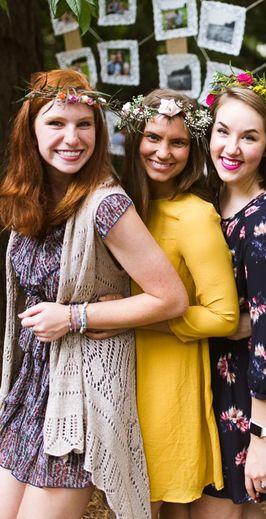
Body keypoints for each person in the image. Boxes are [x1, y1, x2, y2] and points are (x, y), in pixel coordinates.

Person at [0, 69, 189, 519]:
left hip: (77, 396)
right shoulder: (31, 197)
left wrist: (75, 317)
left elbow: (170, 299)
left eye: (84, 125)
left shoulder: (106, 204)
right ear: (31, 131)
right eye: (57, 124)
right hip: (28, 387)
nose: (72, 138)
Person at [118, 89, 240, 519]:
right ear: (134, 138)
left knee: (160, 500)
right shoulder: (116, 202)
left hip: (166, 377)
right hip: (116, 371)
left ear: (194, 149)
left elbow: (223, 315)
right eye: (153, 137)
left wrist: (126, 320)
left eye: (179, 142)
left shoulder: (193, 215)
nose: (163, 152)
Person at [192, 71, 266, 518]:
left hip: (249, 397)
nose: (231, 148)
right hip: (212, 381)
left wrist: (262, 436)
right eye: (223, 132)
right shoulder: (210, 199)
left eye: (249, 137)